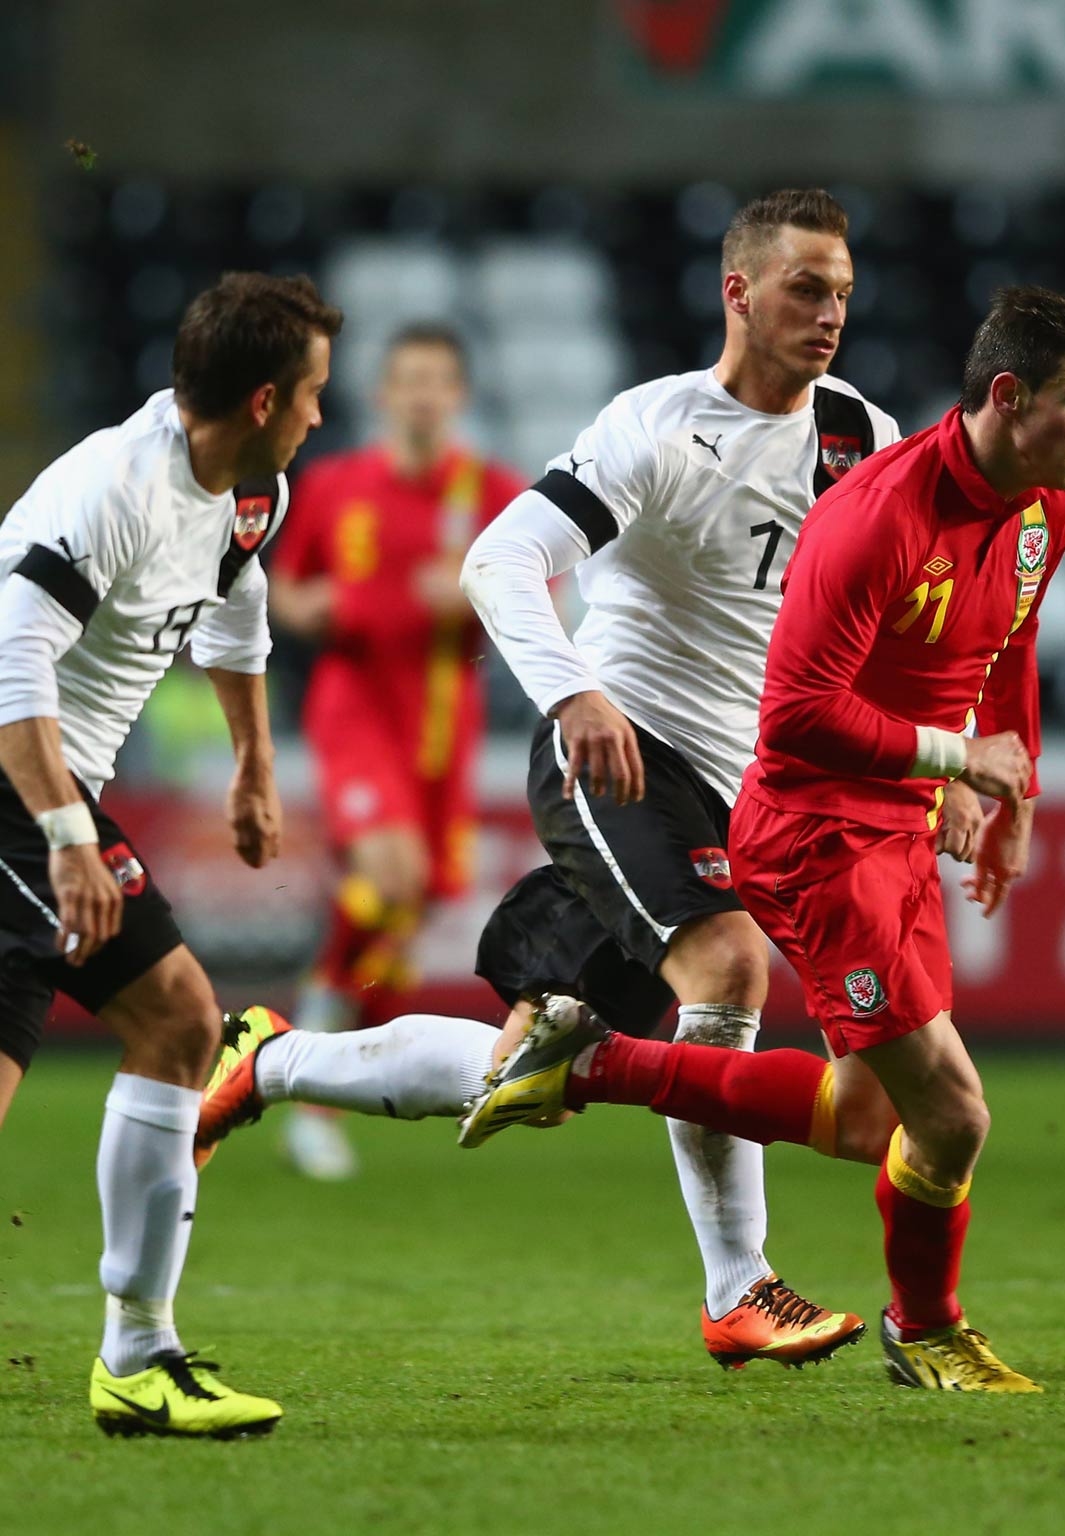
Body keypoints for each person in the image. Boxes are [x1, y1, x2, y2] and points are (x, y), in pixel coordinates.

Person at [197, 189, 892, 1370]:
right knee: (725, 959)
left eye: (841, 290)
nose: (829, 313)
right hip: (615, 756)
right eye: (803, 288)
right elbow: (502, 557)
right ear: (738, 291)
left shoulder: (861, 437)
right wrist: (575, 692)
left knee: (535, 1060)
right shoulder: (658, 427)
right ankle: (740, 1289)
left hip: (738, 790)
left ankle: (265, 1058)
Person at [460, 284, 1065, 1394]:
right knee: (950, 1116)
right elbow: (796, 717)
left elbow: (1007, 639)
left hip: (895, 823)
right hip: (816, 830)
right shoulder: (872, 511)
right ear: (1007, 398)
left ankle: (592, 1061)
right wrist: (958, 760)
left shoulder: (1049, 500)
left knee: (872, 1119)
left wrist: (1017, 791)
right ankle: (917, 1328)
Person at [0, 272, 339, 1436]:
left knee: (183, 1022)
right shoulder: (110, 489)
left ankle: (138, 1358)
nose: (317, 417)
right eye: (310, 396)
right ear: (259, 398)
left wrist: (253, 761)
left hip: (53, 793)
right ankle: (137, 1353)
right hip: (13, 785)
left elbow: (235, 612)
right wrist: (64, 838)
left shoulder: (251, 494)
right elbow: (12, 668)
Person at [263, 323, 525, 1180]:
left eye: (437, 381)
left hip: (444, 724)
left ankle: (315, 1060)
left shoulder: (492, 492)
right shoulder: (335, 485)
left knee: (403, 911)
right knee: (393, 876)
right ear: (381, 394)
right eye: (406, 379)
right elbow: (283, 592)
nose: (421, 395)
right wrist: (321, 607)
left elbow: (538, 596)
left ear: (458, 396)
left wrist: (472, 592)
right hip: (357, 709)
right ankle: (294, 1073)